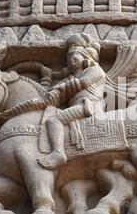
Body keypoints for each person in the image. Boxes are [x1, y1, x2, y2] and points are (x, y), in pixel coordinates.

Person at [37, 33, 106, 170]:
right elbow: (55, 95)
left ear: (85, 57)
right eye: (68, 56)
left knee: (53, 121)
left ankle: (58, 153)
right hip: (78, 107)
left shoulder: (95, 70)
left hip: (89, 105)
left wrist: (61, 86)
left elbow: (84, 82)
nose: (71, 59)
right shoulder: (71, 77)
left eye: (75, 55)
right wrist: (48, 81)